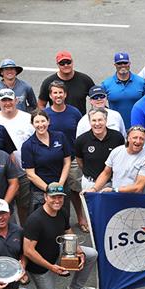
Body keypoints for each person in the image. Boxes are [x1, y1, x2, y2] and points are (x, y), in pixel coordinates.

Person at [22, 183, 96, 289]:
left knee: (91, 254)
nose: (57, 200)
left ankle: (75, 288)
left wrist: (79, 252)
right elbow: (28, 251)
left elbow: (68, 232)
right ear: (45, 197)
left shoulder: (62, 211)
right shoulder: (35, 220)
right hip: (40, 266)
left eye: (60, 197)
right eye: (53, 197)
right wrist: (51, 267)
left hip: (57, 252)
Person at [44, 80, 87, 231]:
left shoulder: (74, 112)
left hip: (73, 157)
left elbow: (81, 134)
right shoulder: (46, 114)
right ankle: (58, 221)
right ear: (50, 95)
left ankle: (81, 218)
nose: (58, 95)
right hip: (54, 159)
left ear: (65, 94)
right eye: (54, 92)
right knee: (57, 191)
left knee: (75, 189)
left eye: (60, 92)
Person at [0, 89, 33, 223]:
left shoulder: (27, 118)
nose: (7, 103)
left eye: (10, 100)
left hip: (25, 173)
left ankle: (26, 235)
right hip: (1, 174)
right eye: (3, 100)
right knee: (5, 208)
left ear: (16, 101)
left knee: (25, 206)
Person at [21, 111, 71, 213]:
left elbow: (67, 161)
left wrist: (60, 185)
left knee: (63, 219)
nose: (40, 125)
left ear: (48, 121)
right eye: (37, 122)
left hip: (61, 186)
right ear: (32, 124)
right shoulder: (28, 145)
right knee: (42, 222)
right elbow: (30, 174)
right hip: (40, 191)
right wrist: (49, 190)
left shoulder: (60, 136)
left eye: (43, 121)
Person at [88, 126, 145, 194]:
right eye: (135, 138)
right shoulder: (117, 151)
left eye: (141, 139)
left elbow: (138, 187)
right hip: (116, 197)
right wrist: (94, 189)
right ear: (128, 138)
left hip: (137, 200)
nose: (138, 141)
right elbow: (106, 173)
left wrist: (114, 190)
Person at [75, 108, 126, 191]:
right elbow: (80, 161)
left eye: (100, 120)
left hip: (111, 184)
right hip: (90, 183)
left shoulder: (117, 137)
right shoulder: (81, 140)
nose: (97, 123)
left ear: (106, 120)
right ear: (89, 122)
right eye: (94, 120)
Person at [37, 51, 95, 115]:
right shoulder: (48, 82)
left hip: (79, 121)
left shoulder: (85, 80)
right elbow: (41, 104)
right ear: (57, 65)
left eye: (68, 62)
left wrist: (92, 116)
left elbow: (96, 99)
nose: (66, 65)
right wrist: (45, 119)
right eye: (62, 63)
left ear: (72, 62)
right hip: (56, 121)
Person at [101, 52, 145, 128]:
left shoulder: (141, 82)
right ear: (115, 65)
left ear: (129, 64)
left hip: (138, 126)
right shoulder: (106, 84)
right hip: (115, 126)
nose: (123, 65)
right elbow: (99, 103)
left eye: (125, 63)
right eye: (119, 63)